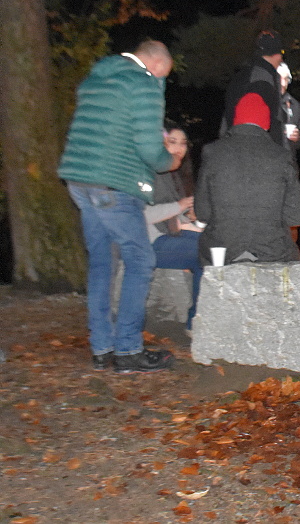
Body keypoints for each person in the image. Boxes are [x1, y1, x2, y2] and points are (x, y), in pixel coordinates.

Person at [58, 40, 177, 374]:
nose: (161, 82)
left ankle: (102, 348)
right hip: (114, 184)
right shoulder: (142, 83)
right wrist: (172, 159)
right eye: (163, 75)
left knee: (101, 262)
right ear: (156, 64)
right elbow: (151, 151)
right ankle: (127, 350)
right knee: (140, 260)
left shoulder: (98, 77)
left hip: (80, 181)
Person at [196, 93, 300, 264]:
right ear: (266, 123)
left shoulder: (212, 152)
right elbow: (297, 217)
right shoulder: (282, 156)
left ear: (236, 120)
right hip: (271, 253)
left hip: (222, 253)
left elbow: (202, 213)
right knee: (292, 253)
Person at [144, 121, 203, 329]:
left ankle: (205, 317)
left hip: (169, 235)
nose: (179, 148)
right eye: (172, 142)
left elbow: (177, 217)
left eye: (183, 143)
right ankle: (195, 323)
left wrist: (192, 218)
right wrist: (179, 206)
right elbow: (142, 216)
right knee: (204, 253)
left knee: (217, 242)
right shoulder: (148, 173)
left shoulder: (175, 176)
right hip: (149, 242)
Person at [221, 29, 286, 146]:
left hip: (232, 147)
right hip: (254, 152)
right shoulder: (263, 81)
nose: (281, 59)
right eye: (281, 53)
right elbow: (260, 125)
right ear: (276, 55)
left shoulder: (243, 74)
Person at [276, 63, 300, 152]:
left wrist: (298, 137)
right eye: (279, 78)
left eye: (285, 79)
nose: (282, 83)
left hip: (288, 160)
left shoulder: (294, 105)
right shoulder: (263, 102)